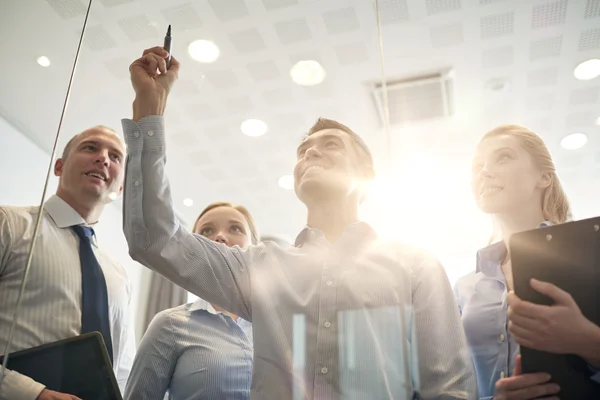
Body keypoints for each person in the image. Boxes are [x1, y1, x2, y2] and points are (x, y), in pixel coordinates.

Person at [121, 46, 477, 399]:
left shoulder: (416, 267)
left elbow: (449, 391)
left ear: (366, 173)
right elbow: (152, 238)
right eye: (303, 151)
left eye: (331, 145)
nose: (311, 153)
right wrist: (149, 108)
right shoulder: (260, 267)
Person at [454, 124, 600, 400]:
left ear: (544, 177)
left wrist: (588, 341)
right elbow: (452, 386)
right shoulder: (464, 287)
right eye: (477, 166)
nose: (483, 172)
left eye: (503, 157)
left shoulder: (592, 257)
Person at [0, 126, 135, 400]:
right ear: (59, 166)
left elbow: (123, 367)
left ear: (120, 187)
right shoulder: (9, 225)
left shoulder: (118, 274)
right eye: (90, 148)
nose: (103, 159)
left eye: (115, 156)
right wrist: (30, 393)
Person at [124, 201, 256, 400]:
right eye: (206, 231)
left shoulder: (279, 325)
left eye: (235, 228)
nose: (219, 236)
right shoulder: (170, 325)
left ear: (255, 247)